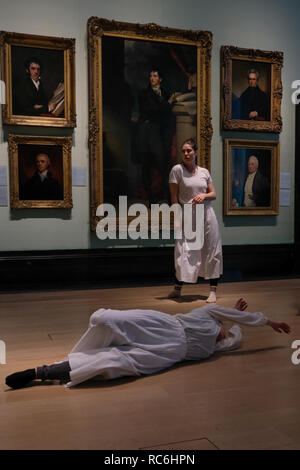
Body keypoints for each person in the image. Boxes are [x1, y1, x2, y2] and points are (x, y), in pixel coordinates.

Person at [5, 298, 290, 390]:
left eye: (225, 334)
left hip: (171, 353)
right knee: (110, 318)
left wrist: (233, 326)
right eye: (225, 329)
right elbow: (234, 316)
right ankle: (84, 345)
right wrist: (269, 321)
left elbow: (236, 337)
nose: (224, 336)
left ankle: (43, 372)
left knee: (116, 361)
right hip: (165, 325)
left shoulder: (216, 347)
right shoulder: (207, 313)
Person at [168, 138, 223, 303]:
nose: (186, 153)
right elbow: (174, 198)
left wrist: (204, 195)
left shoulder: (204, 172)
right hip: (187, 214)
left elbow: (213, 194)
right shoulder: (177, 170)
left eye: (189, 150)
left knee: (212, 249)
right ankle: (177, 289)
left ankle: (213, 290)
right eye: (183, 150)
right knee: (183, 251)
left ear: (195, 152)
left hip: (206, 214)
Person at [136, 68, 176, 203]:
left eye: (155, 76)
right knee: (146, 167)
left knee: (163, 166)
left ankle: (168, 198)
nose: (152, 78)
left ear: (160, 79)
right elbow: (151, 111)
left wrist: (166, 106)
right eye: (150, 76)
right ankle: (150, 199)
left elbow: (163, 113)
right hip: (146, 134)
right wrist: (168, 104)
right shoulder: (144, 94)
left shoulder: (166, 93)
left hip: (159, 133)